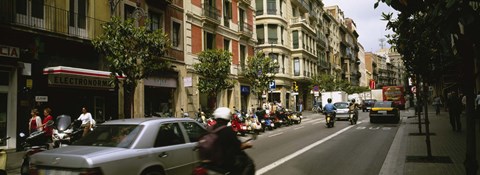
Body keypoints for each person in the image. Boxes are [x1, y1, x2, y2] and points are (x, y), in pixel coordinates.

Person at [210, 107, 254, 175]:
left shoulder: (210, 129)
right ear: (227, 118)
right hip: (225, 162)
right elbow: (238, 146)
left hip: (212, 162)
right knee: (249, 163)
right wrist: (247, 145)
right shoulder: (228, 130)